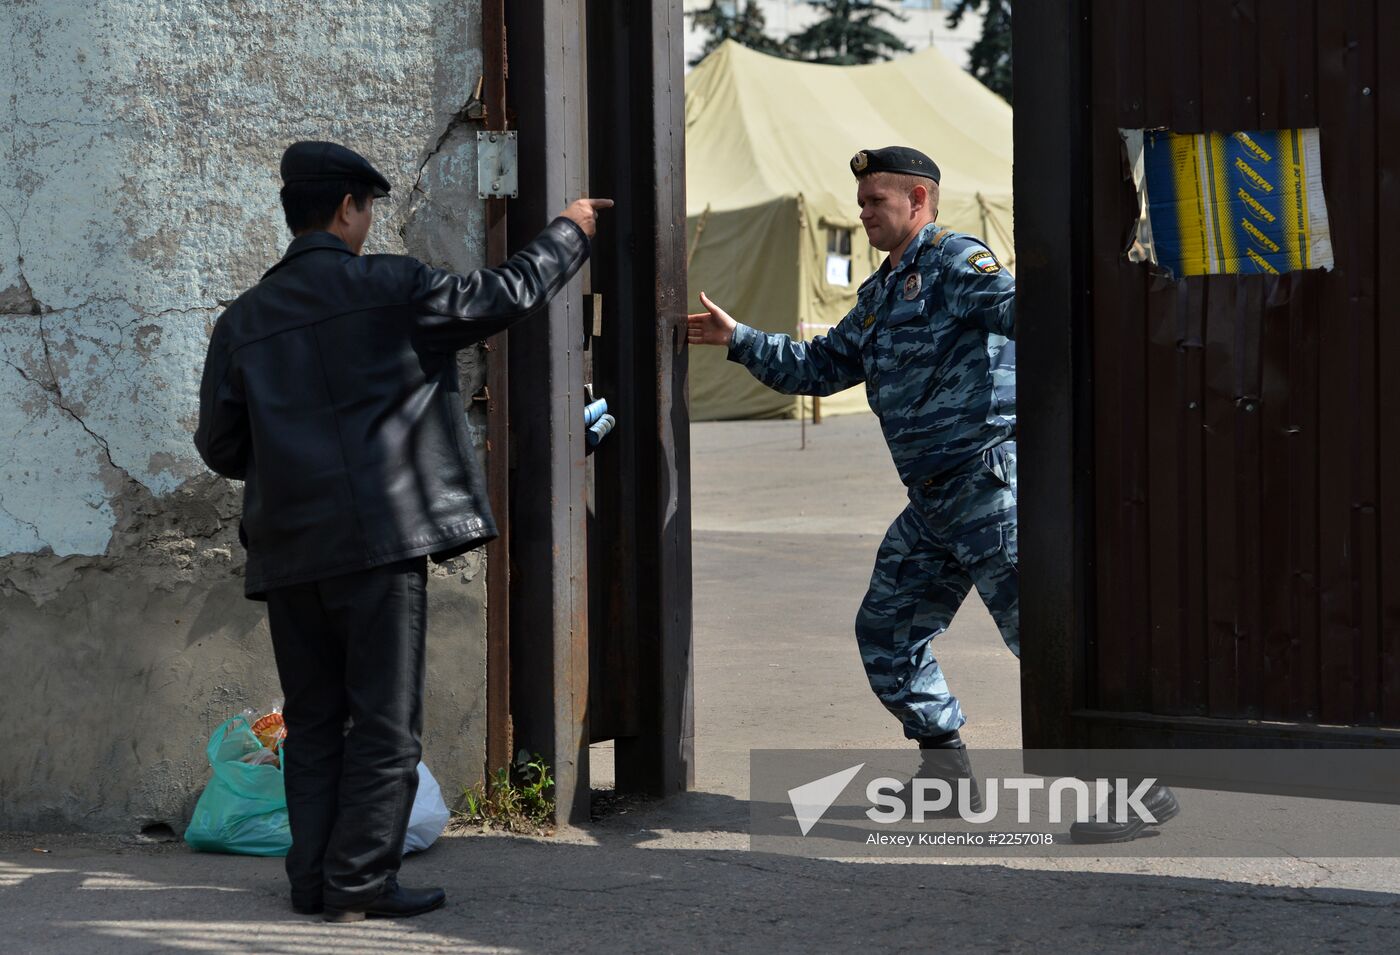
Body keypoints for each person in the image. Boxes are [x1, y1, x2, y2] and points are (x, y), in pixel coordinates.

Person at [687, 145, 1176, 840]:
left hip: (987, 487)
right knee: (887, 630)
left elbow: (1032, 316)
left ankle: (1134, 789)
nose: (863, 213)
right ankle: (946, 778)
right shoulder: (881, 293)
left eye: (875, 201)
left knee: (1046, 641)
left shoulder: (955, 261)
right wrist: (737, 338)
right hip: (934, 504)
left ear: (918, 200)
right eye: (861, 202)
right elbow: (820, 366)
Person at [194, 140, 610, 920]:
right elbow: (504, 294)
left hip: (288, 552)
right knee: (384, 724)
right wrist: (570, 231)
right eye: (367, 208)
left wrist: (290, 458)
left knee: (314, 722)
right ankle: (358, 883)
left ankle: (314, 882)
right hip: (380, 548)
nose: (368, 222)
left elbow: (219, 446)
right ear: (347, 209)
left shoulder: (242, 321)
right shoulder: (393, 287)